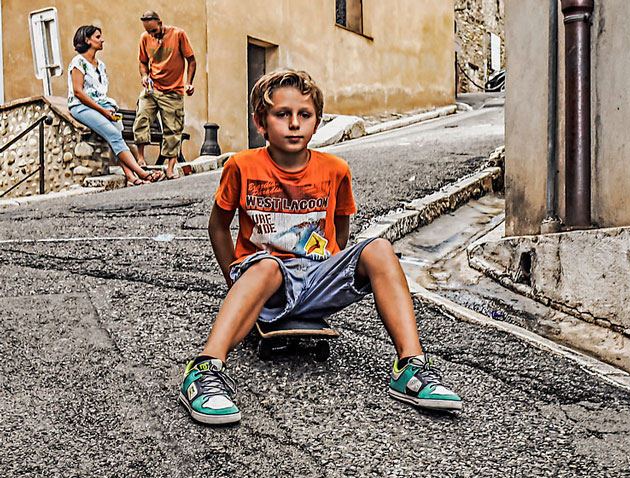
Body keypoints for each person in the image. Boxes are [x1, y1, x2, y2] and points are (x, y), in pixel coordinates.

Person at [178, 70, 462, 424]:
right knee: (266, 267)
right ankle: (204, 371)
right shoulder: (242, 166)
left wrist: (328, 268)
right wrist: (236, 283)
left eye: (304, 116)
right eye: (282, 115)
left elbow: (340, 232)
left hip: (315, 278)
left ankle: (411, 367)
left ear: (317, 122)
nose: (294, 124)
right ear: (261, 122)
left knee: (379, 249)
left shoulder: (335, 170)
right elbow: (218, 227)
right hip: (265, 282)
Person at [67, 25, 162, 187]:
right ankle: (142, 173)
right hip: (80, 107)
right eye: (98, 37)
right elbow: (78, 92)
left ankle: (130, 177)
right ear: (87, 40)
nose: (102, 40)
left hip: (102, 106)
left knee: (116, 135)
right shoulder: (78, 63)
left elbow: (100, 94)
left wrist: (107, 109)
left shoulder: (101, 65)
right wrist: (103, 111)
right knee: (114, 134)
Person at [133, 11, 196, 180]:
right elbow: (142, 62)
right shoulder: (145, 38)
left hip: (173, 91)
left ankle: (170, 168)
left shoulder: (178, 35)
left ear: (160, 23)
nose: (152, 35)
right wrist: (144, 76)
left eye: (154, 31)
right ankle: (140, 158)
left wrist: (189, 82)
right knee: (142, 117)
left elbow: (191, 60)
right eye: (148, 31)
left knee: (173, 129)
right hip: (153, 89)